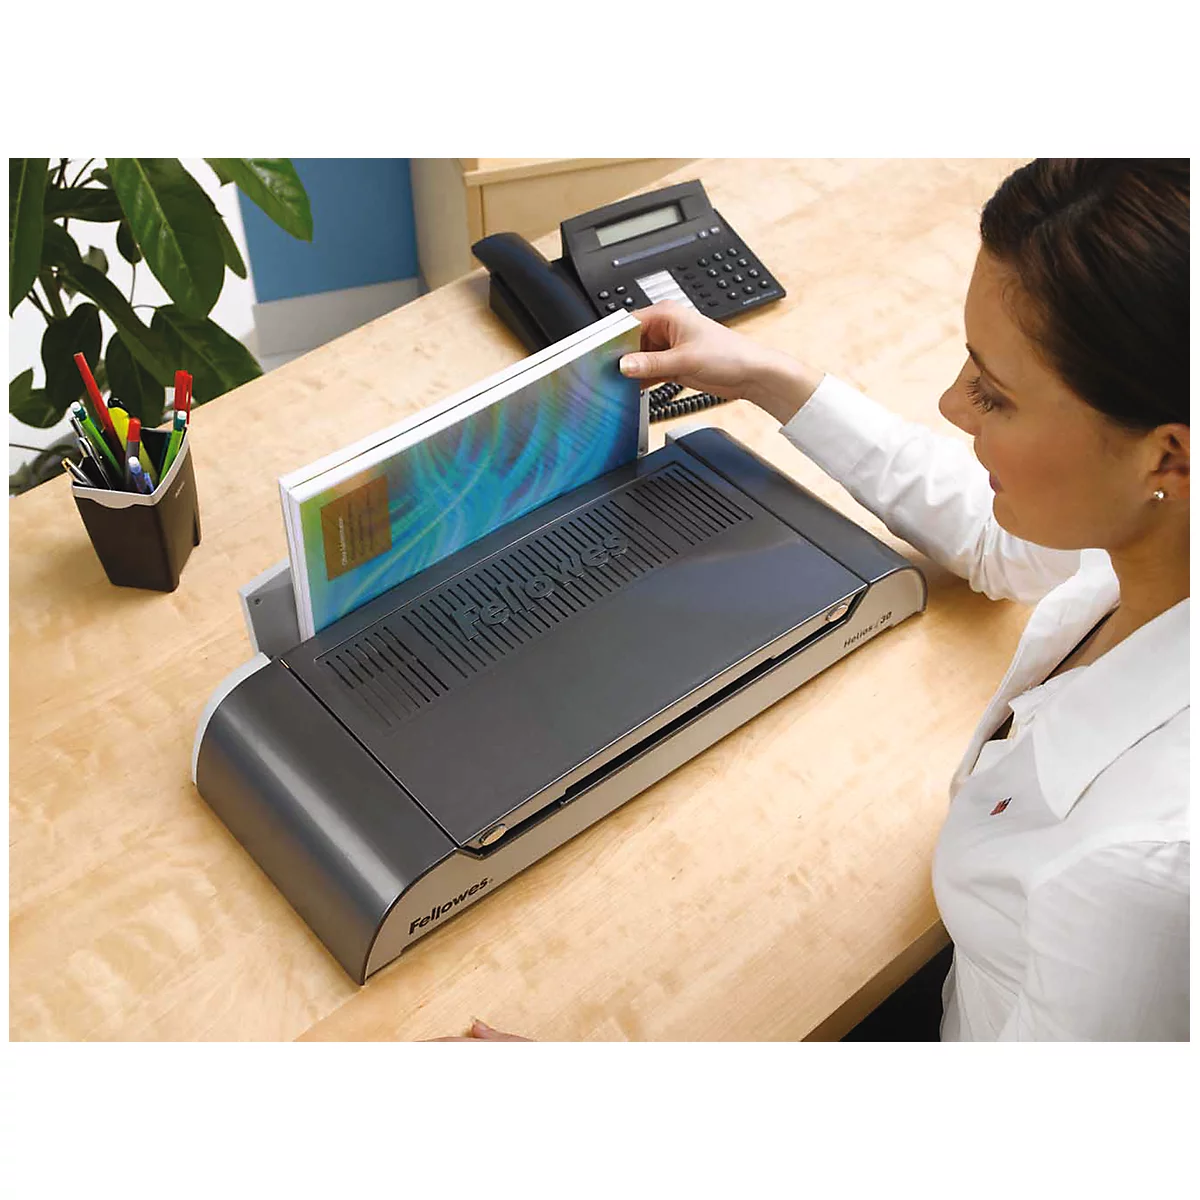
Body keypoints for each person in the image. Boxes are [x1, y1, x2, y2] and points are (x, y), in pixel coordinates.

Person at [441, 158, 1189, 1042]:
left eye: (994, 392)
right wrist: (766, 376)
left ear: (1166, 457)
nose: (952, 404)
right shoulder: (1160, 539)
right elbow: (995, 541)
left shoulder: (1144, 879)